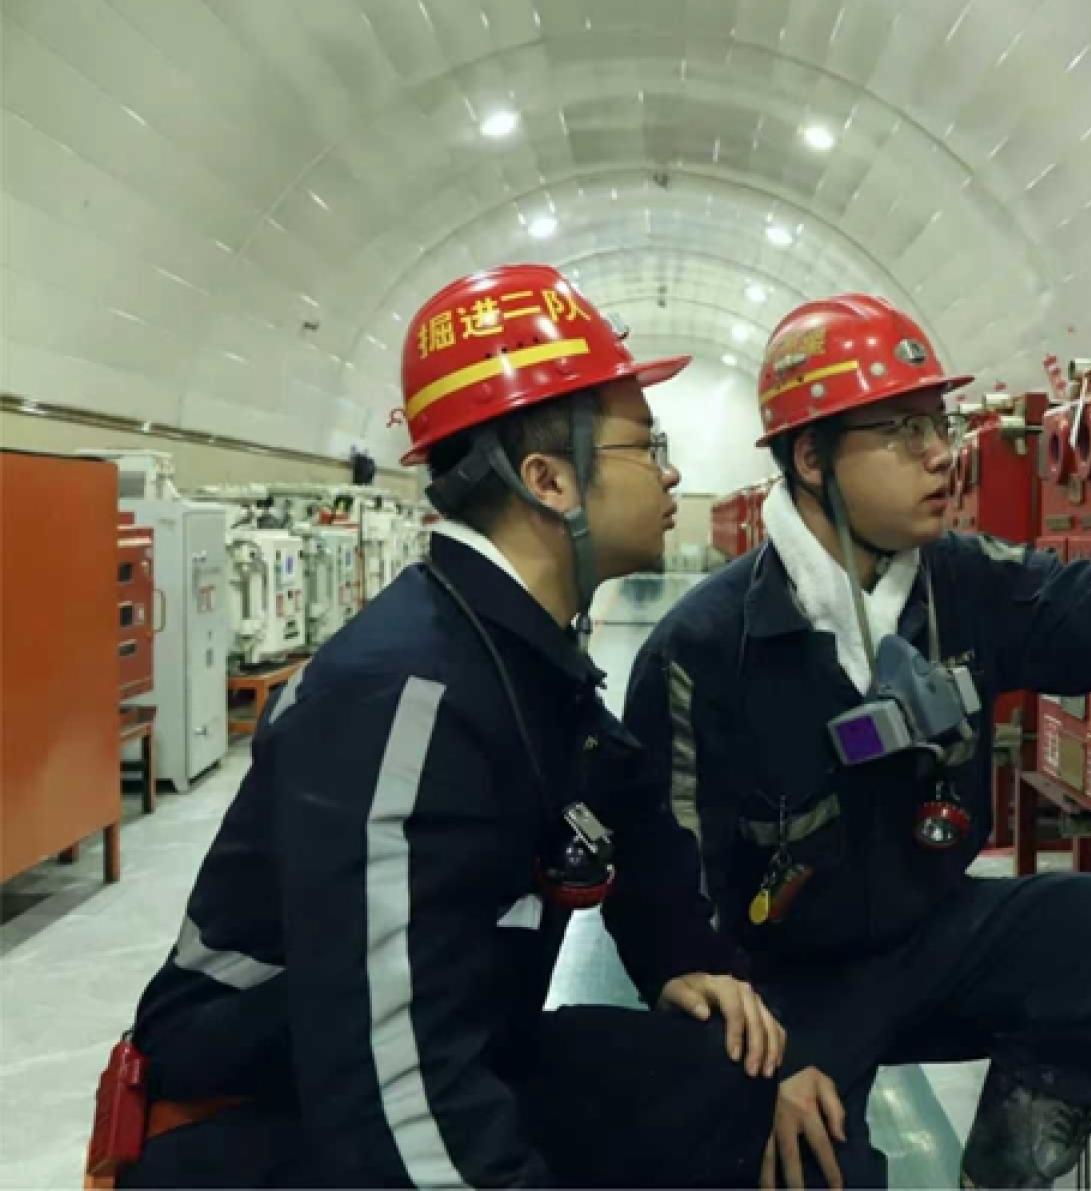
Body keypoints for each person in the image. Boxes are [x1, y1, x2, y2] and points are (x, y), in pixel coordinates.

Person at [97, 265, 782, 1189]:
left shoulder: (519, 653)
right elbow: (388, 1093)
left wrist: (682, 960)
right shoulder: (402, 695)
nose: (671, 472)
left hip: (433, 1043)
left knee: (723, 1069)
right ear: (550, 481)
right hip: (263, 1120)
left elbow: (615, 806)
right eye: (645, 444)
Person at [624, 293, 1091, 1189]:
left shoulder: (963, 583)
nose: (940, 454)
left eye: (939, 424)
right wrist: (764, 1059)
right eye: (903, 431)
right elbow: (666, 897)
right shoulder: (705, 649)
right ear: (811, 457)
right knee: (810, 1161)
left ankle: (1000, 1175)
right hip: (781, 982)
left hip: (925, 940)